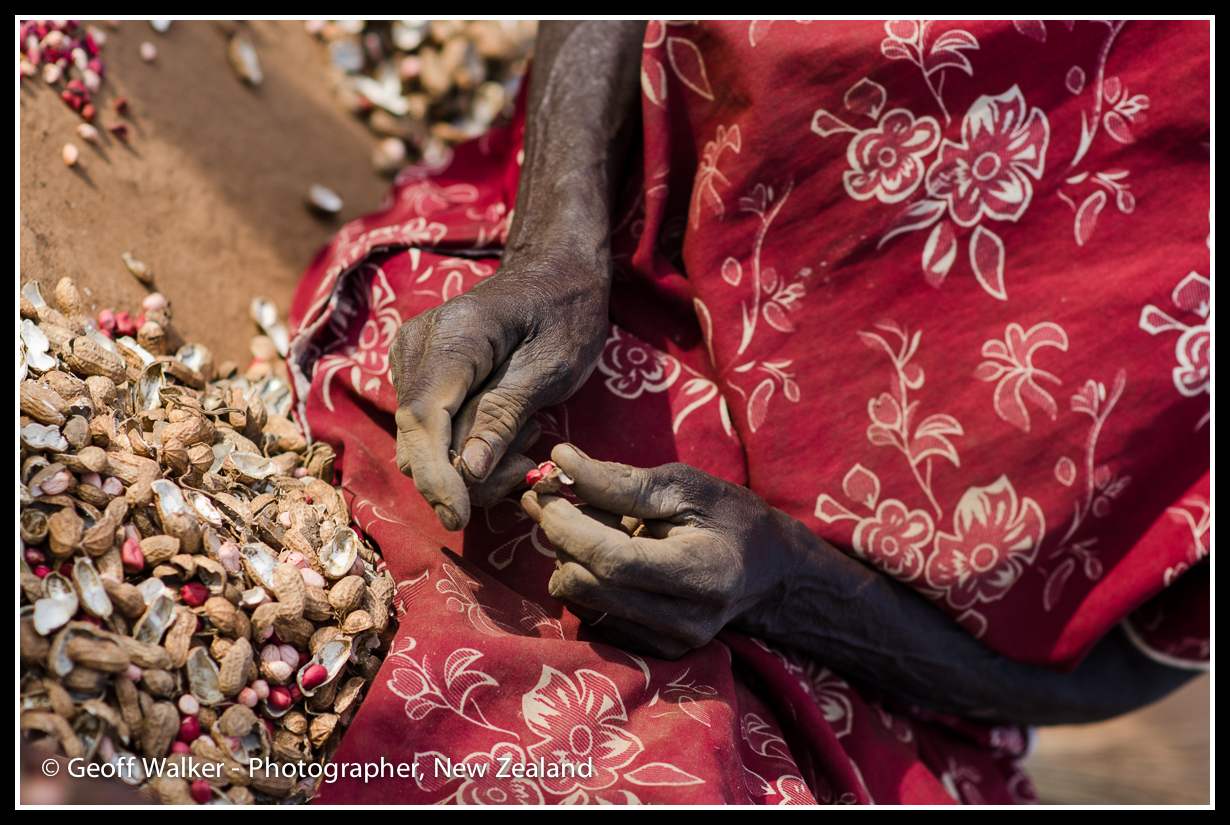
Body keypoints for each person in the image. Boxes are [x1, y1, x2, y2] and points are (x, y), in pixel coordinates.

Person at [290, 20, 1209, 804]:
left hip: (867, 643)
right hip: (610, 264)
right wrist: (554, 253)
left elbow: (1132, 659)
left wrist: (785, 586)